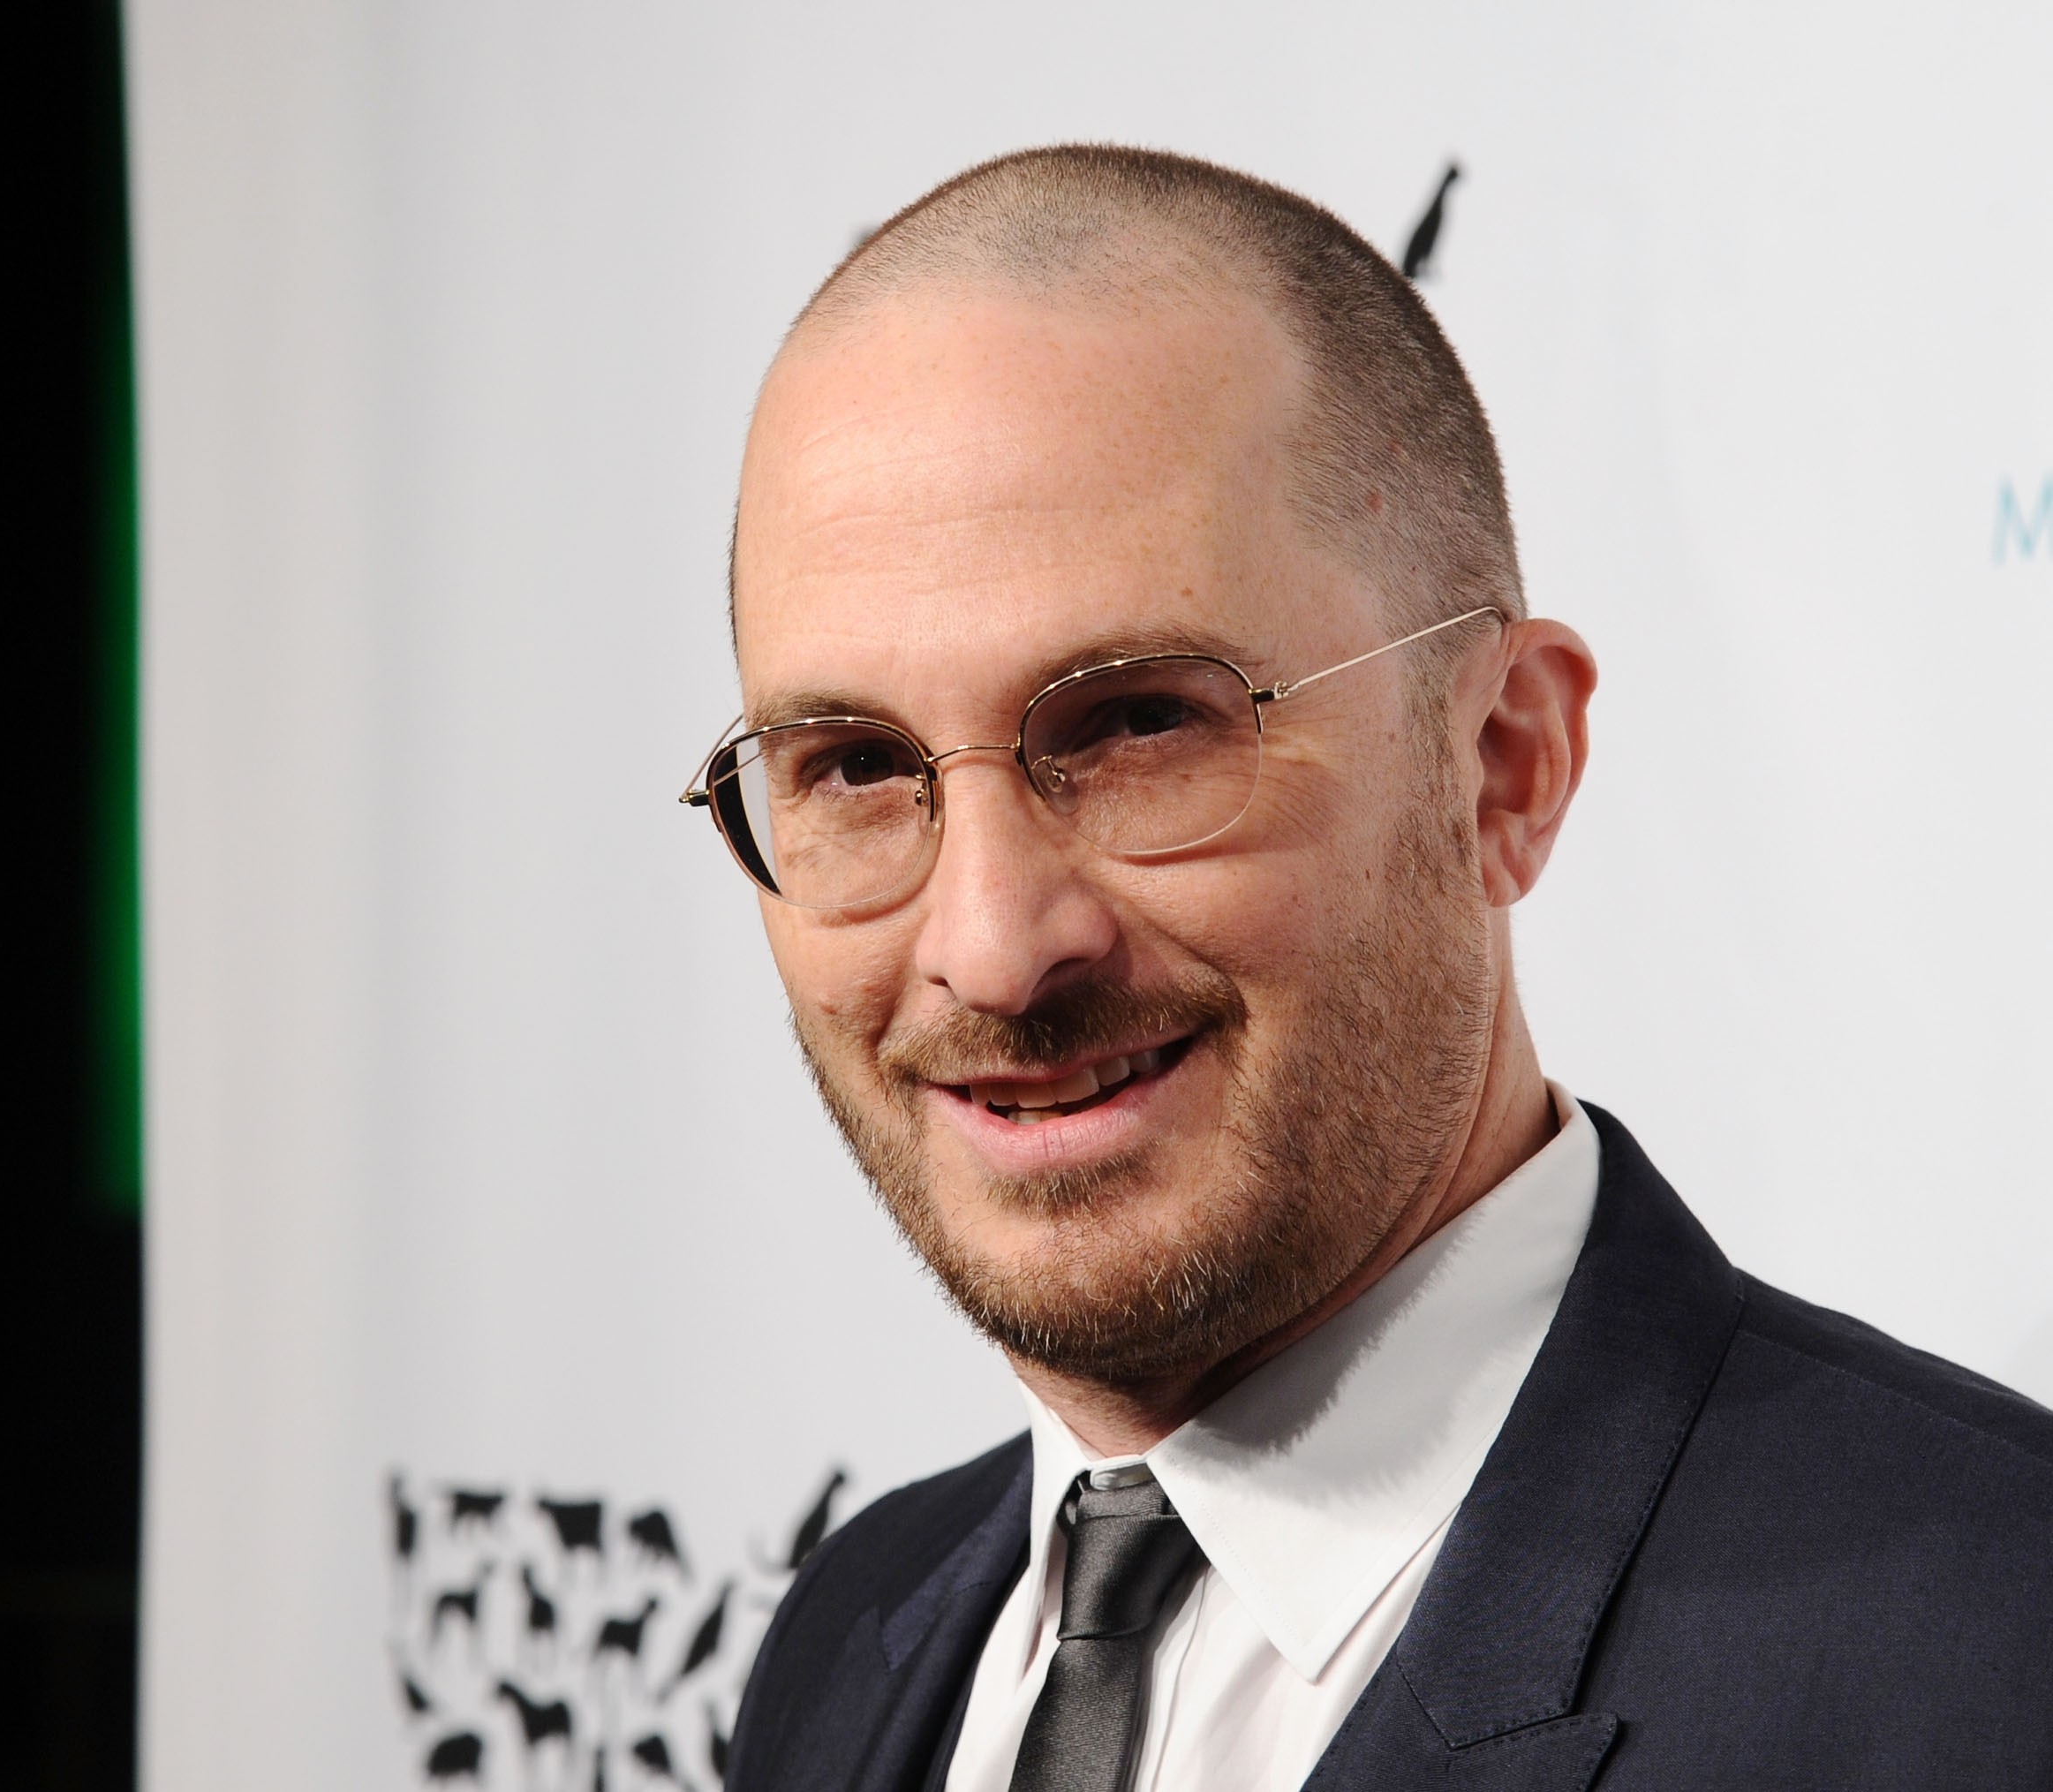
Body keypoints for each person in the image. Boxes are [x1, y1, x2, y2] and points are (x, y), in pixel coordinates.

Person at [688, 147, 2051, 1792]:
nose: (989, 945)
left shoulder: (1995, 1654)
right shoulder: (853, 1634)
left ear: (1504, 766)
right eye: (852, 765)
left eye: (1138, 726)